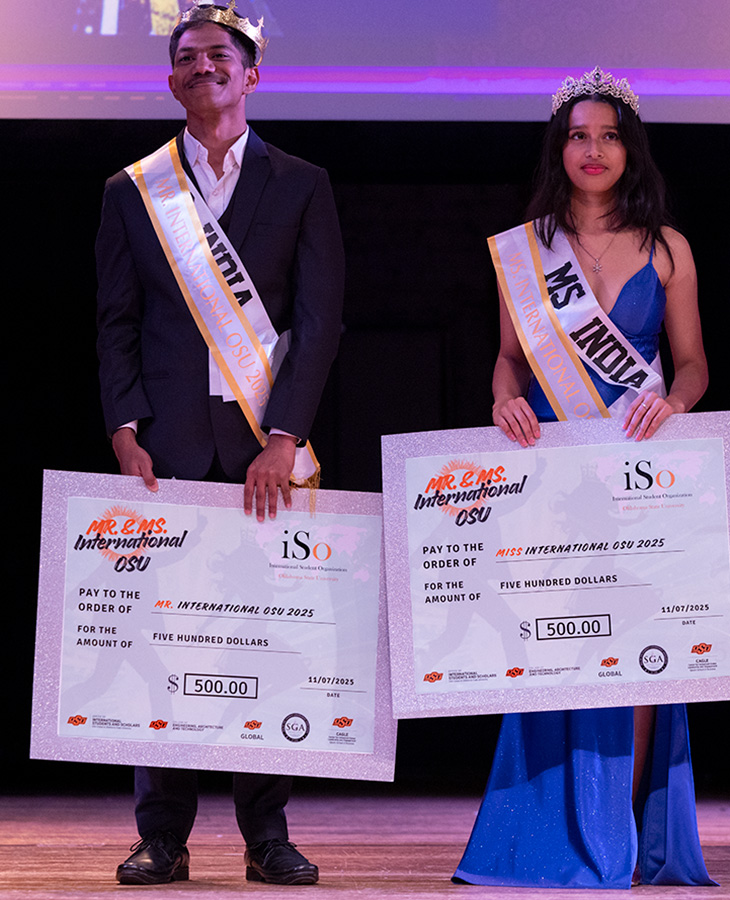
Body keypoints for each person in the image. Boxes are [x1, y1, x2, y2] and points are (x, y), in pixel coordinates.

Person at [96, 0, 344, 886]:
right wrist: (124, 430)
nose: (204, 68)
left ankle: (266, 834)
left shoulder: (303, 181)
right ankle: (160, 834)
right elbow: (115, 321)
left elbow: (318, 325)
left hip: (261, 452)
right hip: (164, 451)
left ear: (252, 73)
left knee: (261, 641)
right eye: (188, 57)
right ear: (171, 79)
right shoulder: (134, 190)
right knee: (161, 644)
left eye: (220, 56)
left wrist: (285, 434)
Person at [453, 68, 714, 889]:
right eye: (576, 135)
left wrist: (671, 402)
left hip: (638, 475)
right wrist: (504, 402)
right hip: (555, 480)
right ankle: (549, 833)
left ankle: (620, 842)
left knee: (640, 657)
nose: (591, 150)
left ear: (628, 149)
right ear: (558, 148)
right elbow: (506, 362)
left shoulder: (669, 248)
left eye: (606, 135)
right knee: (555, 650)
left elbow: (696, 365)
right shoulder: (525, 249)